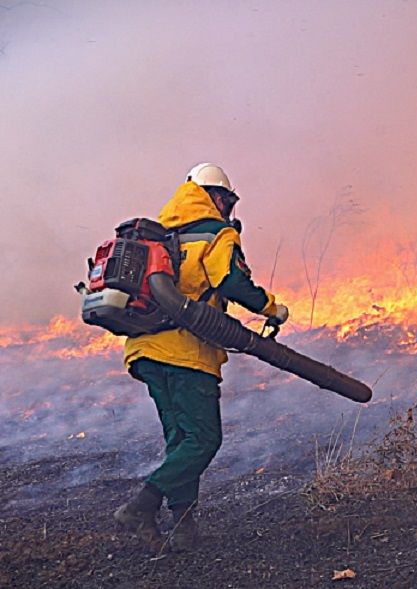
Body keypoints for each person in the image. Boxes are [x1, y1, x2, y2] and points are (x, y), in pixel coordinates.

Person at [113, 163, 289, 551]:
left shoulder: (160, 235)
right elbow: (232, 282)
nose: (230, 208)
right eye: (228, 200)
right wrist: (271, 309)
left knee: (180, 440)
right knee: (205, 439)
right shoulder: (215, 233)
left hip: (144, 351)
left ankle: (185, 530)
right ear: (216, 197)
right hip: (186, 353)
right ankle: (142, 506)